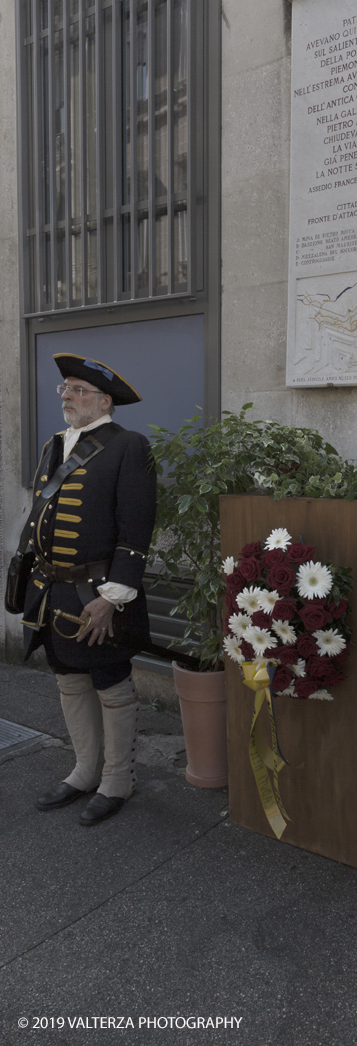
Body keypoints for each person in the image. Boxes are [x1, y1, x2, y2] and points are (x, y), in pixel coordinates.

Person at [22, 354, 157, 826]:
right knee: (66, 676)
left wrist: (112, 599)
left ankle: (118, 779)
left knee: (110, 680)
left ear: (104, 401)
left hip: (98, 593)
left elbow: (136, 530)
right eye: (65, 389)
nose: (67, 397)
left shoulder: (129, 446)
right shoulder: (54, 445)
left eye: (78, 390)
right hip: (54, 588)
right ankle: (84, 771)